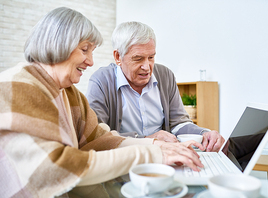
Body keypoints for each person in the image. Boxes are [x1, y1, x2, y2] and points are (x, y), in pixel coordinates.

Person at [0, 7, 205, 197]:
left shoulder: (69, 93)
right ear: (58, 43)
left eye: (92, 51)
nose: (90, 61)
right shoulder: (19, 85)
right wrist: (149, 154)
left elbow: (100, 139)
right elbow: (55, 168)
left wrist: (157, 146)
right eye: (85, 50)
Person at [86, 21, 225, 152]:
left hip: (166, 157)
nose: (147, 67)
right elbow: (97, 136)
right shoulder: (101, 81)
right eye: (138, 58)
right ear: (118, 57)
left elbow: (179, 123)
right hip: (127, 158)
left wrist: (204, 133)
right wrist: (147, 141)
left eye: (151, 57)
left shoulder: (165, 76)